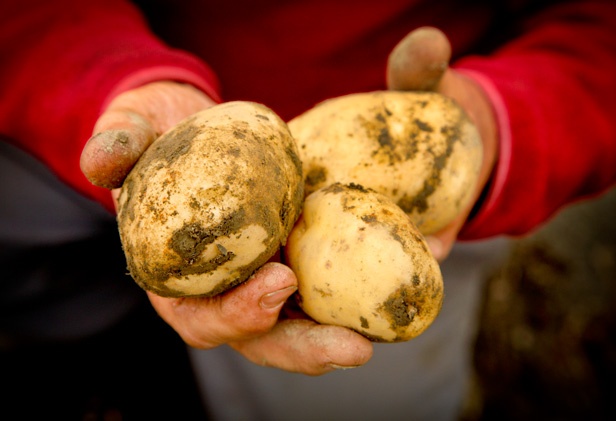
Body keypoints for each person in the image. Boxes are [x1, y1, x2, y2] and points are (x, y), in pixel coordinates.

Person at [1, 0, 615, 418]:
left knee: (360, 401)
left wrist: (498, 124)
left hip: (432, 189)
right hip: (122, 92)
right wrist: (112, 76)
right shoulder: (243, 138)